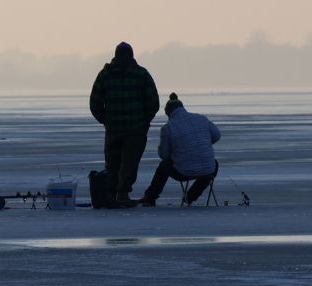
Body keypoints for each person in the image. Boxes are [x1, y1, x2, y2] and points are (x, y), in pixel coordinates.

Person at [89, 41, 160, 206]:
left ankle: (113, 195)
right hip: (135, 129)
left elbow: (95, 103)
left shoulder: (105, 75)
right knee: (129, 163)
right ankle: (121, 195)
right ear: (132, 55)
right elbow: (153, 102)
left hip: (114, 129)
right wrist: (144, 122)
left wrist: (106, 120)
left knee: (112, 163)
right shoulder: (141, 74)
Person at [137, 93, 221, 206]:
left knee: (163, 166)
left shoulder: (168, 128)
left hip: (183, 172)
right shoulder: (201, 118)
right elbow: (217, 135)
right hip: (208, 169)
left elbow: (164, 155)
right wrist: (204, 143)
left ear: (168, 113)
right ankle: (191, 196)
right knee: (213, 165)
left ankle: (150, 197)